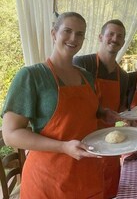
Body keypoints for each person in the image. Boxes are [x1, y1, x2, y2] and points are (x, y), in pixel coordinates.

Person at [1, 12, 120, 199]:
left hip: (87, 176)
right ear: (54, 34)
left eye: (80, 34)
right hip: (48, 181)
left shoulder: (86, 77)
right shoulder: (31, 76)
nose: (74, 38)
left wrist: (103, 113)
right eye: (67, 31)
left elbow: (87, 114)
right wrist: (63, 147)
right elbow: (11, 135)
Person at [73, 19, 129, 199]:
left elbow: (120, 111)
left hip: (111, 145)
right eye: (111, 34)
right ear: (100, 37)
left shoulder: (124, 76)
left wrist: (127, 122)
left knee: (110, 189)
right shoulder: (82, 63)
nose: (115, 38)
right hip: (83, 141)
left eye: (119, 36)